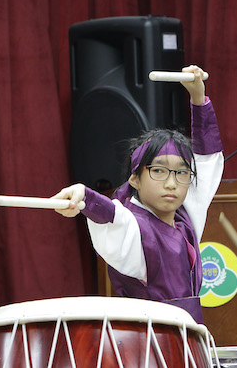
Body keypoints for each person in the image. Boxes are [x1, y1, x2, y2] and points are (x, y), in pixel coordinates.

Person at [52, 65, 223, 323]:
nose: (171, 183)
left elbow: (207, 160)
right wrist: (83, 195)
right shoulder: (135, 226)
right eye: (158, 171)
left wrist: (199, 99)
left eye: (181, 173)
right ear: (135, 179)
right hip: (146, 341)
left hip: (189, 339)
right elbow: (112, 217)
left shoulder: (187, 215)